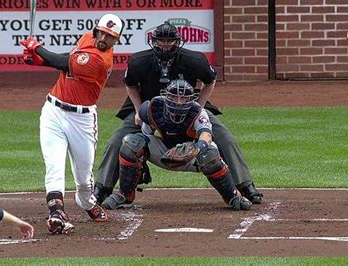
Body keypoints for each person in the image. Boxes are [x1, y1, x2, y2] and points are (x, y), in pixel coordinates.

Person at [94, 21, 263, 208]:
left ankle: (245, 186)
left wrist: (198, 107)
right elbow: (130, 84)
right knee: (119, 140)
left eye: (170, 41)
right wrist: (138, 108)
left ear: (178, 41)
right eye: (161, 41)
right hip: (150, 109)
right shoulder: (139, 61)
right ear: (154, 41)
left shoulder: (194, 60)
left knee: (225, 138)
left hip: (187, 106)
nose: (165, 45)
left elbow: (210, 80)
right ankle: (102, 188)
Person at [19, 13, 124, 234]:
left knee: (84, 178)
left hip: (82, 120)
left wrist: (36, 47)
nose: (104, 38)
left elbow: (63, 62)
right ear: (96, 30)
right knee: (54, 164)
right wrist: (39, 60)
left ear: (117, 40)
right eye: (102, 32)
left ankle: (86, 202)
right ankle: (56, 212)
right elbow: (67, 59)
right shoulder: (86, 39)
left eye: (111, 36)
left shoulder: (100, 60)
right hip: (53, 112)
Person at [103, 78, 252, 211]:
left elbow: (206, 136)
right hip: (165, 153)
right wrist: (140, 161)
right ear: (166, 96)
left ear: (191, 99)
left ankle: (233, 196)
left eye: (184, 98)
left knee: (210, 155)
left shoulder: (198, 112)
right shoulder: (152, 108)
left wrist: (195, 148)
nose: (179, 101)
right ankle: (125, 195)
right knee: (132, 143)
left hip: (193, 155)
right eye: (175, 96)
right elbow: (146, 136)